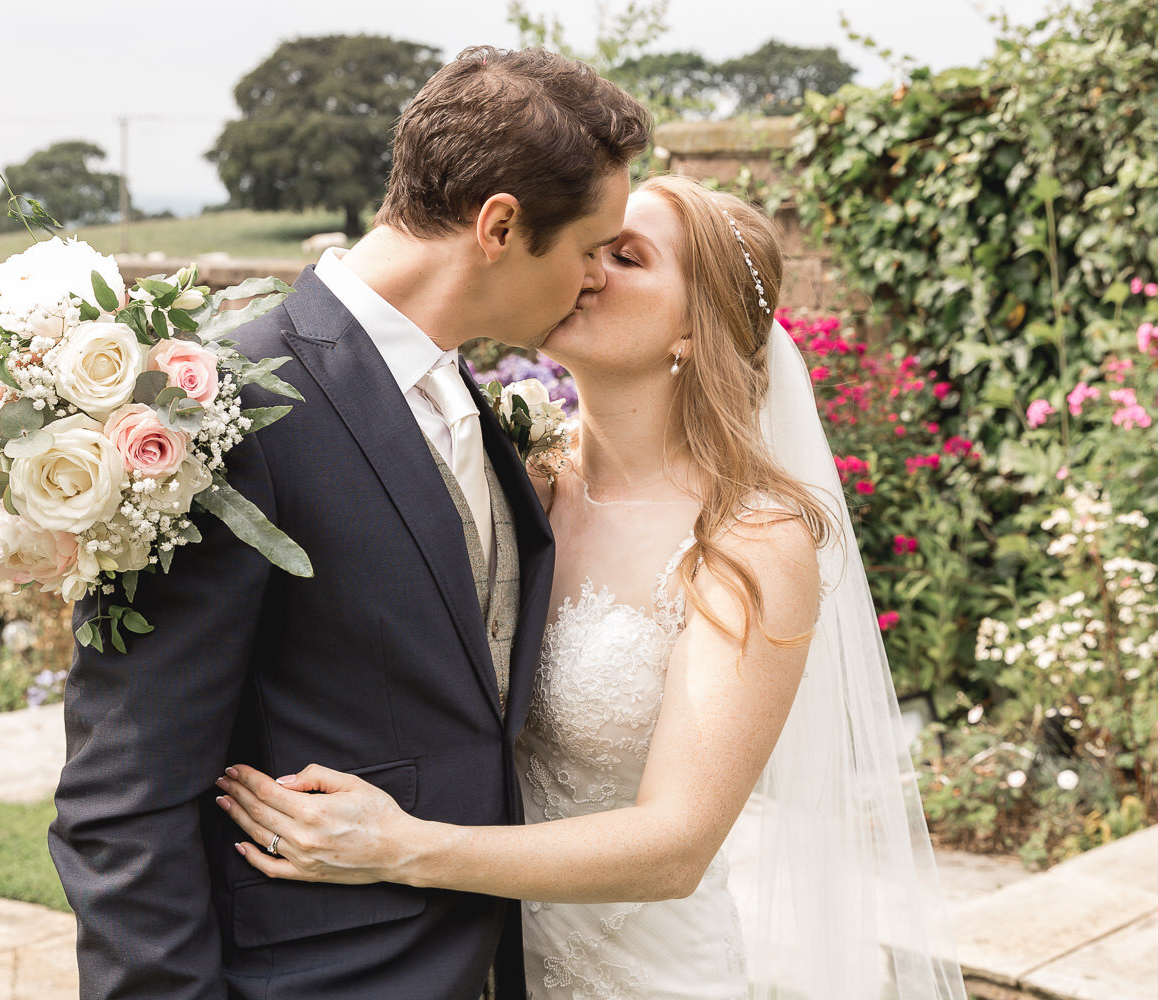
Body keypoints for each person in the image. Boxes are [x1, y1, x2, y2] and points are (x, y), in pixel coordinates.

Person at [215, 175, 970, 1000]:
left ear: (694, 326)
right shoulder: (517, 477)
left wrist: (400, 845)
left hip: (639, 971)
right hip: (465, 958)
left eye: (627, 256)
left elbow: (676, 846)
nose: (586, 269)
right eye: (589, 246)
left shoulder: (749, 539)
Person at [47, 46, 652, 1000]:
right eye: (587, 249)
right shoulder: (224, 413)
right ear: (500, 225)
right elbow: (122, 801)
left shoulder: (469, 397)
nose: (592, 281)